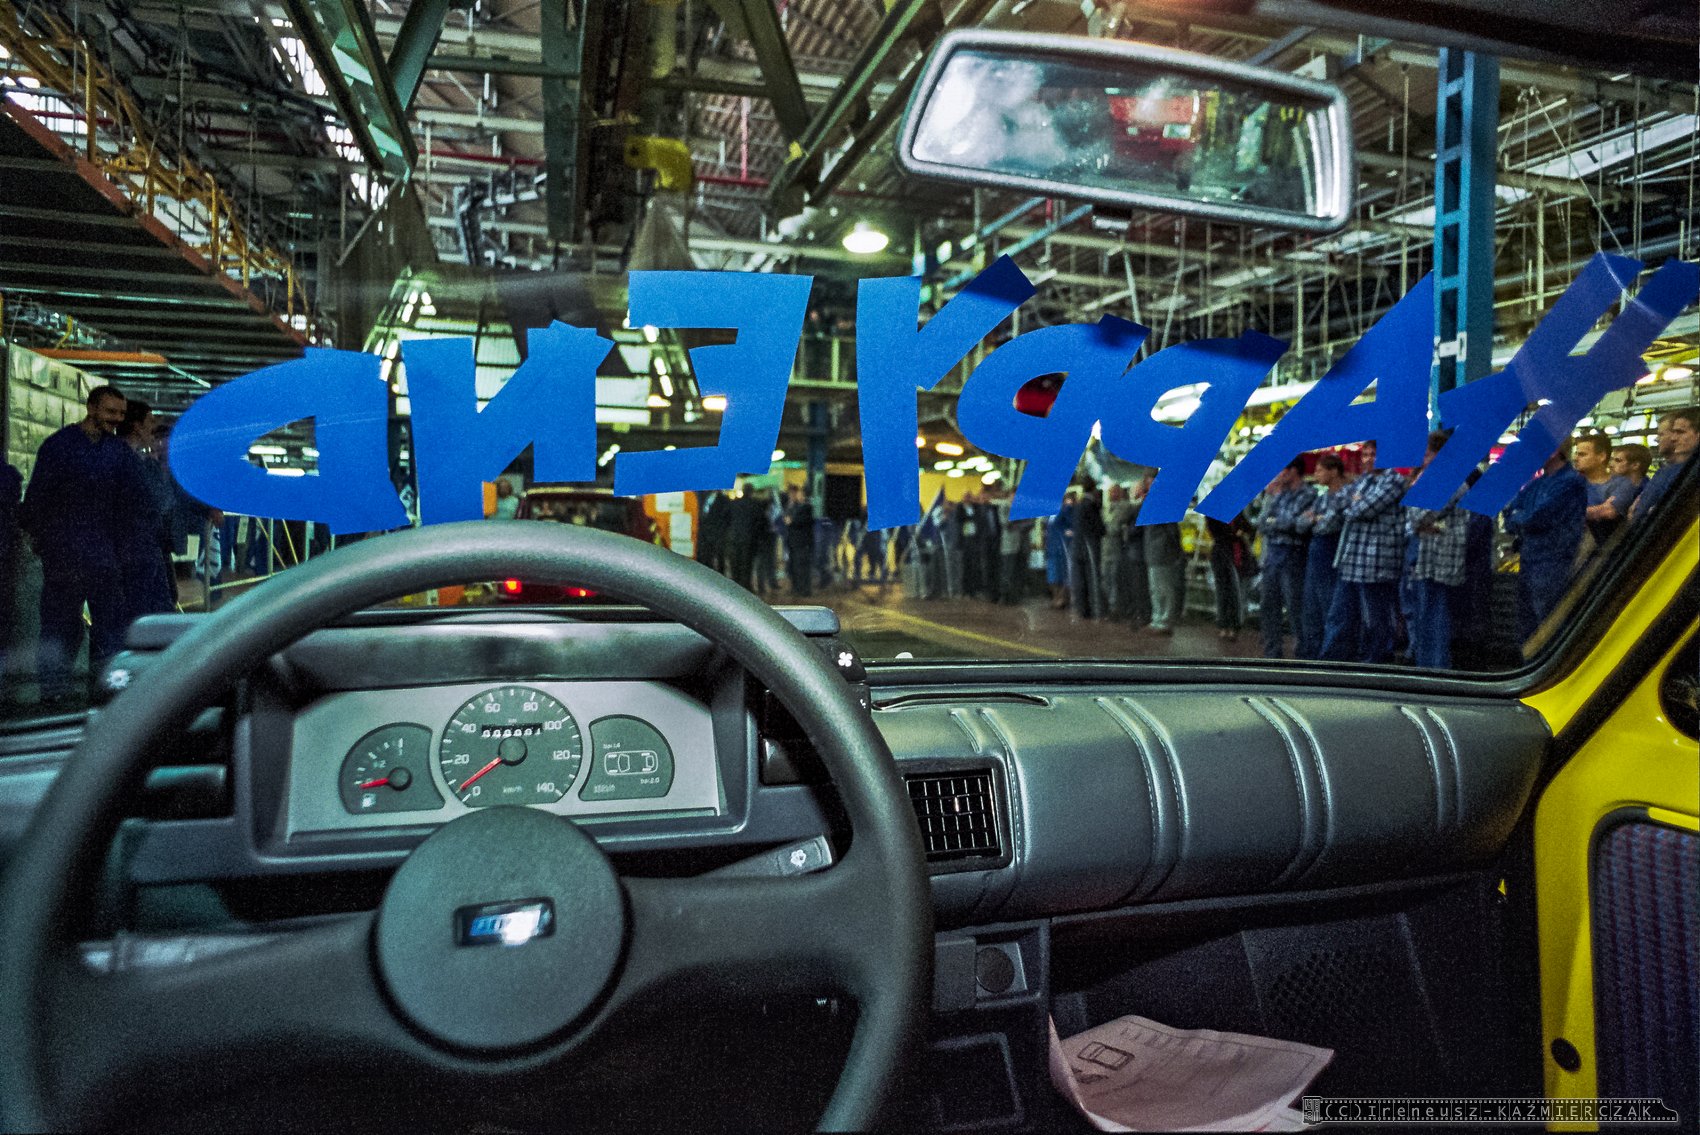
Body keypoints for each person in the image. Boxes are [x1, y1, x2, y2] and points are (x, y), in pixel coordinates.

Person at [18, 385, 137, 700]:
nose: (117, 419)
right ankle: (98, 691)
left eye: (121, 414)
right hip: (84, 557)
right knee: (97, 629)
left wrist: (42, 541)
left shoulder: (61, 446)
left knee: (64, 627)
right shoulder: (113, 453)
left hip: (76, 556)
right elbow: (38, 501)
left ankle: (58, 692)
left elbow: (36, 501)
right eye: (111, 412)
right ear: (91, 408)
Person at [1320, 440, 1407, 665]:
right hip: (1352, 560)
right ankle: (1333, 662)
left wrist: (1353, 502)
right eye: (1365, 454)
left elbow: (1362, 510)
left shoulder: (1394, 481)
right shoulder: (1364, 480)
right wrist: (1353, 502)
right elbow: (1338, 500)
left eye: (1373, 454)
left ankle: (1376, 662)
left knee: (1375, 618)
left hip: (1377, 563)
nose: (1368, 459)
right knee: (1340, 614)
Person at [1503, 439, 1588, 641]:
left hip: (1554, 562)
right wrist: (1520, 517)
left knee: (1550, 624)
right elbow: (1510, 514)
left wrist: (1519, 517)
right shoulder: (1538, 483)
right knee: (1527, 625)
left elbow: (1535, 517)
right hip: (1531, 559)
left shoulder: (1570, 482)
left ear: (1554, 451)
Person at [1404, 431, 1470, 669]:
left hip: (1441, 559)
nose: (1422, 458)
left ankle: (1437, 669)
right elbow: (1414, 515)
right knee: (1424, 614)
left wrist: (1419, 518)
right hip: (1427, 555)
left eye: (1427, 453)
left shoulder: (1450, 479)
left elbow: (1424, 514)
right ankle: (1426, 666)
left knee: (1435, 615)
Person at [115, 400, 176, 628]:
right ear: (137, 426)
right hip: (138, 549)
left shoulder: (128, 459)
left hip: (139, 547)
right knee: (150, 611)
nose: (154, 427)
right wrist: (156, 469)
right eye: (150, 421)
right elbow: (162, 501)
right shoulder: (135, 464)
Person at [1254, 458, 1315, 658]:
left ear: (1293, 471)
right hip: (1274, 553)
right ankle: (1272, 651)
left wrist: (1277, 522)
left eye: (1282, 470)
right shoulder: (1280, 494)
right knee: (1268, 604)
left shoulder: (1308, 494)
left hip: (1293, 554)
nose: (1278, 475)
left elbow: (1299, 525)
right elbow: (1263, 522)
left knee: (1295, 605)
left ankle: (1303, 652)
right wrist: (1281, 520)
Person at [1296, 453, 1348, 659]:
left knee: (1329, 605)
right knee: (1311, 607)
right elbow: (1300, 524)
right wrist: (1315, 519)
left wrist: (1314, 519)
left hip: (1331, 556)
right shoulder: (1322, 498)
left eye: (1319, 470)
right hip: (1316, 555)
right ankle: (1311, 653)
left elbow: (1329, 525)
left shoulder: (1343, 496)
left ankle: (1330, 655)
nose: (1315, 474)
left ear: (1333, 471)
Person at [1629, 408, 1697, 521]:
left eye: (1680, 432)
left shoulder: (1686, 471)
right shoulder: (1664, 472)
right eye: (1674, 432)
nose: (1674, 438)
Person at [1138, 477, 1184, 636]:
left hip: (1162, 552)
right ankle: (1158, 619)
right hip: (1154, 552)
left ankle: (1164, 620)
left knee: (1164, 588)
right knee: (1156, 588)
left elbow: (1172, 530)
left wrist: (1174, 549)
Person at [1573, 433, 1636, 548]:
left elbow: (1608, 512)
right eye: (1576, 453)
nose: (1575, 458)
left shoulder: (1622, 484)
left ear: (1601, 456)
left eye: (1582, 454)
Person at [1204, 514, 1246, 642]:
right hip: (1223, 552)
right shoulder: (1213, 514)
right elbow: (1217, 533)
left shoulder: (1237, 513)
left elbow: (1248, 527)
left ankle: (1231, 625)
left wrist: (1239, 532)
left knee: (1233, 590)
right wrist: (1235, 534)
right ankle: (1225, 624)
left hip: (1234, 553)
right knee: (1224, 590)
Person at [1070, 484, 1105, 618]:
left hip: (1077, 547)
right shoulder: (1091, 506)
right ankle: (1096, 609)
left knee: (1080, 579)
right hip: (1089, 547)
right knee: (1092, 579)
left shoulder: (1077, 506)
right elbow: (1099, 527)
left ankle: (1082, 608)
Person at [783, 485, 815, 596]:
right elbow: (787, 517)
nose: (797, 495)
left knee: (802, 567)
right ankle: (796, 588)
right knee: (794, 566)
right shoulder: (795, 506)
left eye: (799, 493)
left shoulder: (807, 507)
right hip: (793, 542)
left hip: (802, 542)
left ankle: (804, 590)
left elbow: (803, 521)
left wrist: (792, 521)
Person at [1045, 493, 1074, 610]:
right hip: (1051, 547)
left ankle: (1062, 598)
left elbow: (1071, 525)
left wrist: (1068, 534)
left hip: (1061, 547)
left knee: (1062, 573)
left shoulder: (1065, 510)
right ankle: (1055, 597)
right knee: (1052, 575)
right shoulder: (1049, 515)